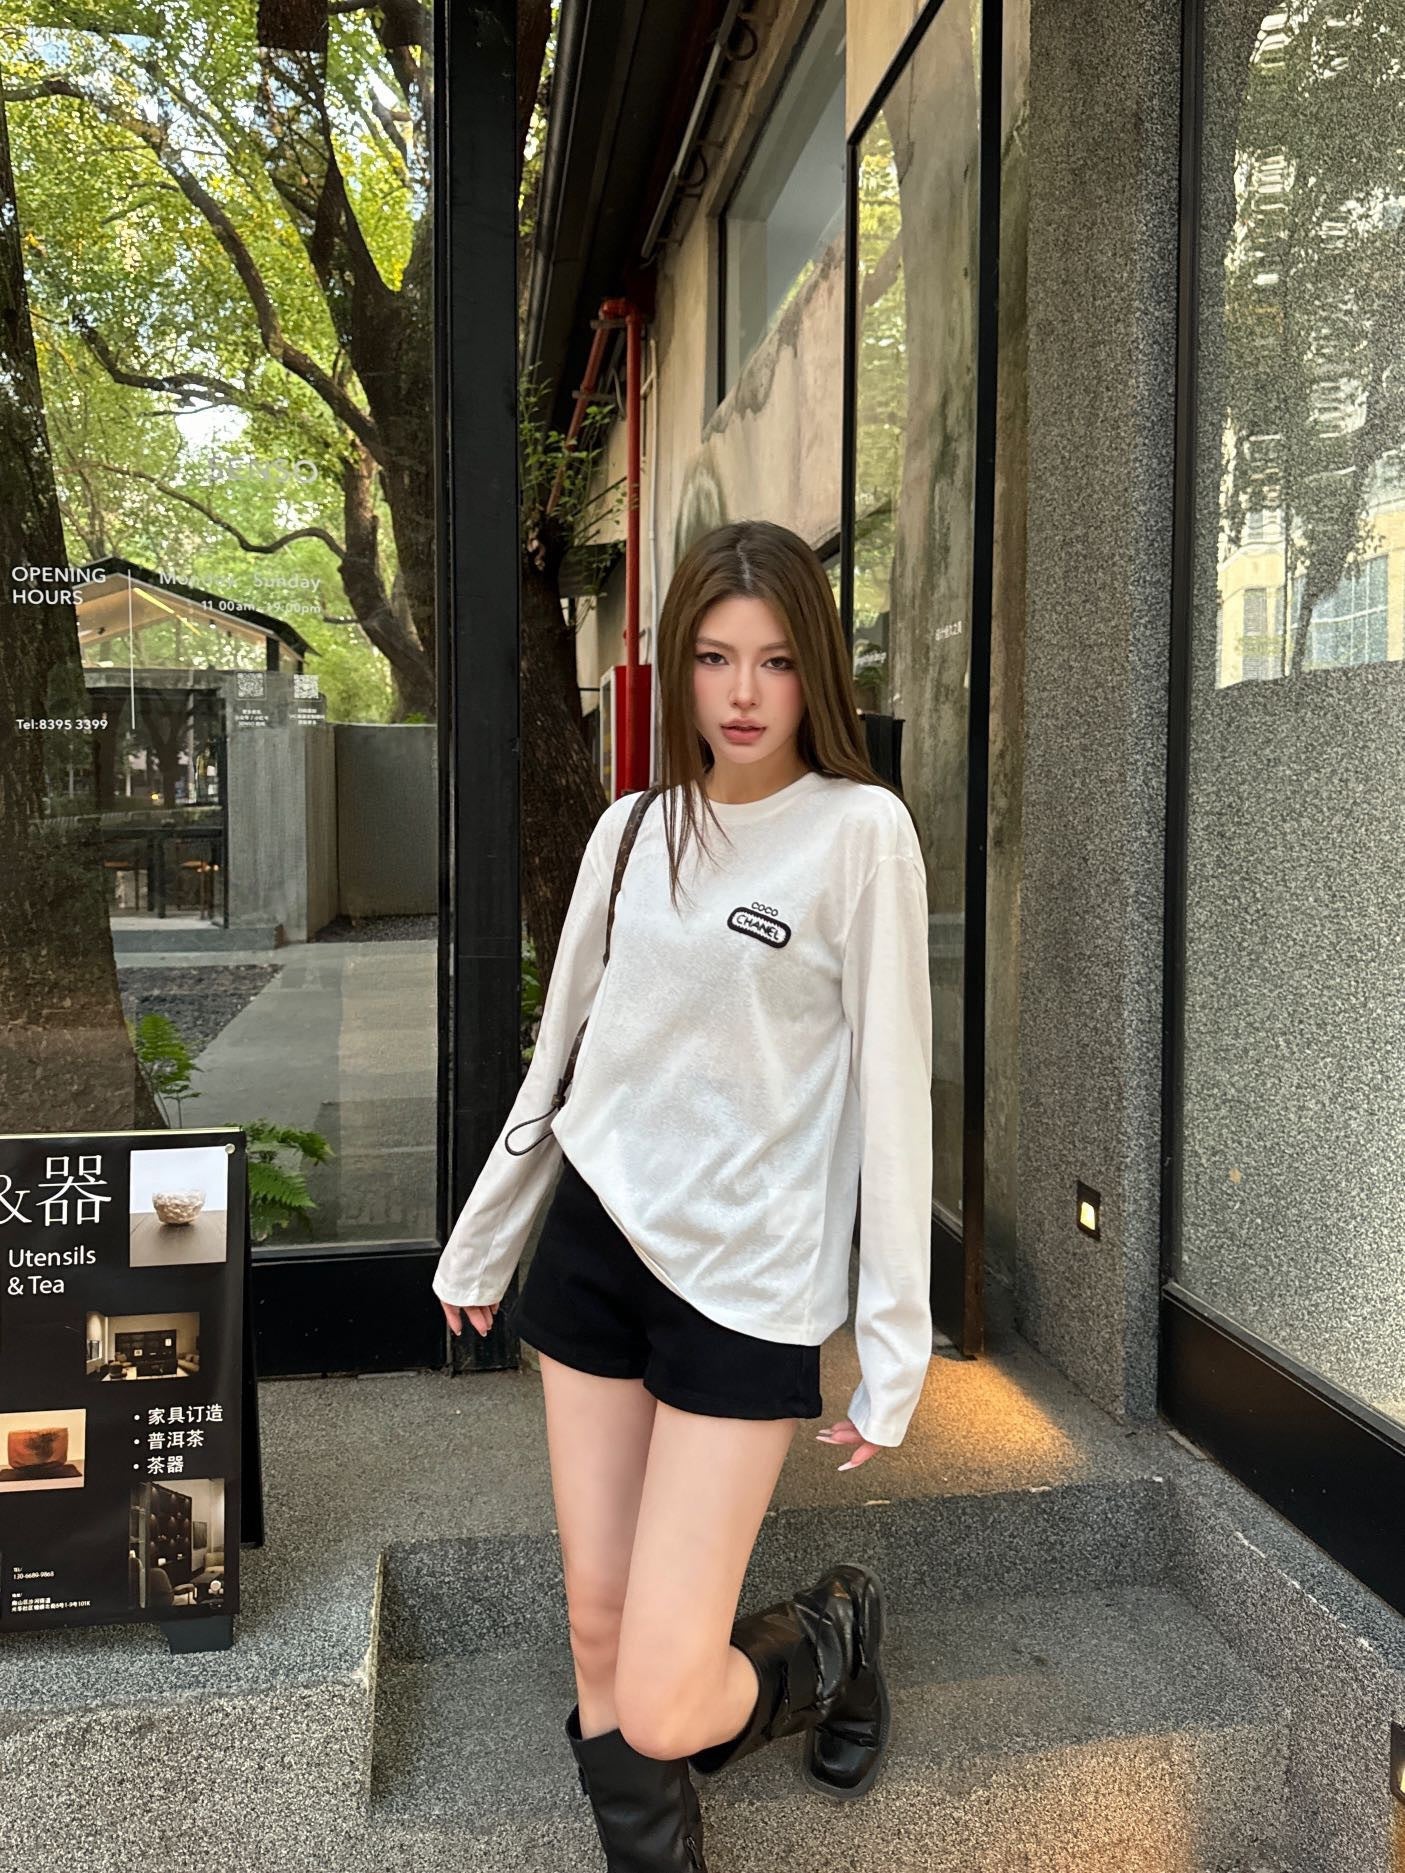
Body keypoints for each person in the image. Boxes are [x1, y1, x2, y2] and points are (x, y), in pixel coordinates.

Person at [433, 519, 933, 1872]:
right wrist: (483, 1240)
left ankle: (832, 1634)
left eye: (775, 659)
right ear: (676, 668)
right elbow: (563, 1057)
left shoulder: (859, 834)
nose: (743, 693)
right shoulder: (632, 832)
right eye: (714, 658)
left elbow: (894, 1100)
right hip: (596, 1250)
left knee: (660, 1700)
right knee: (596, 1633)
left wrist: (892, 1348)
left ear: (815, 668)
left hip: (748, 1280)